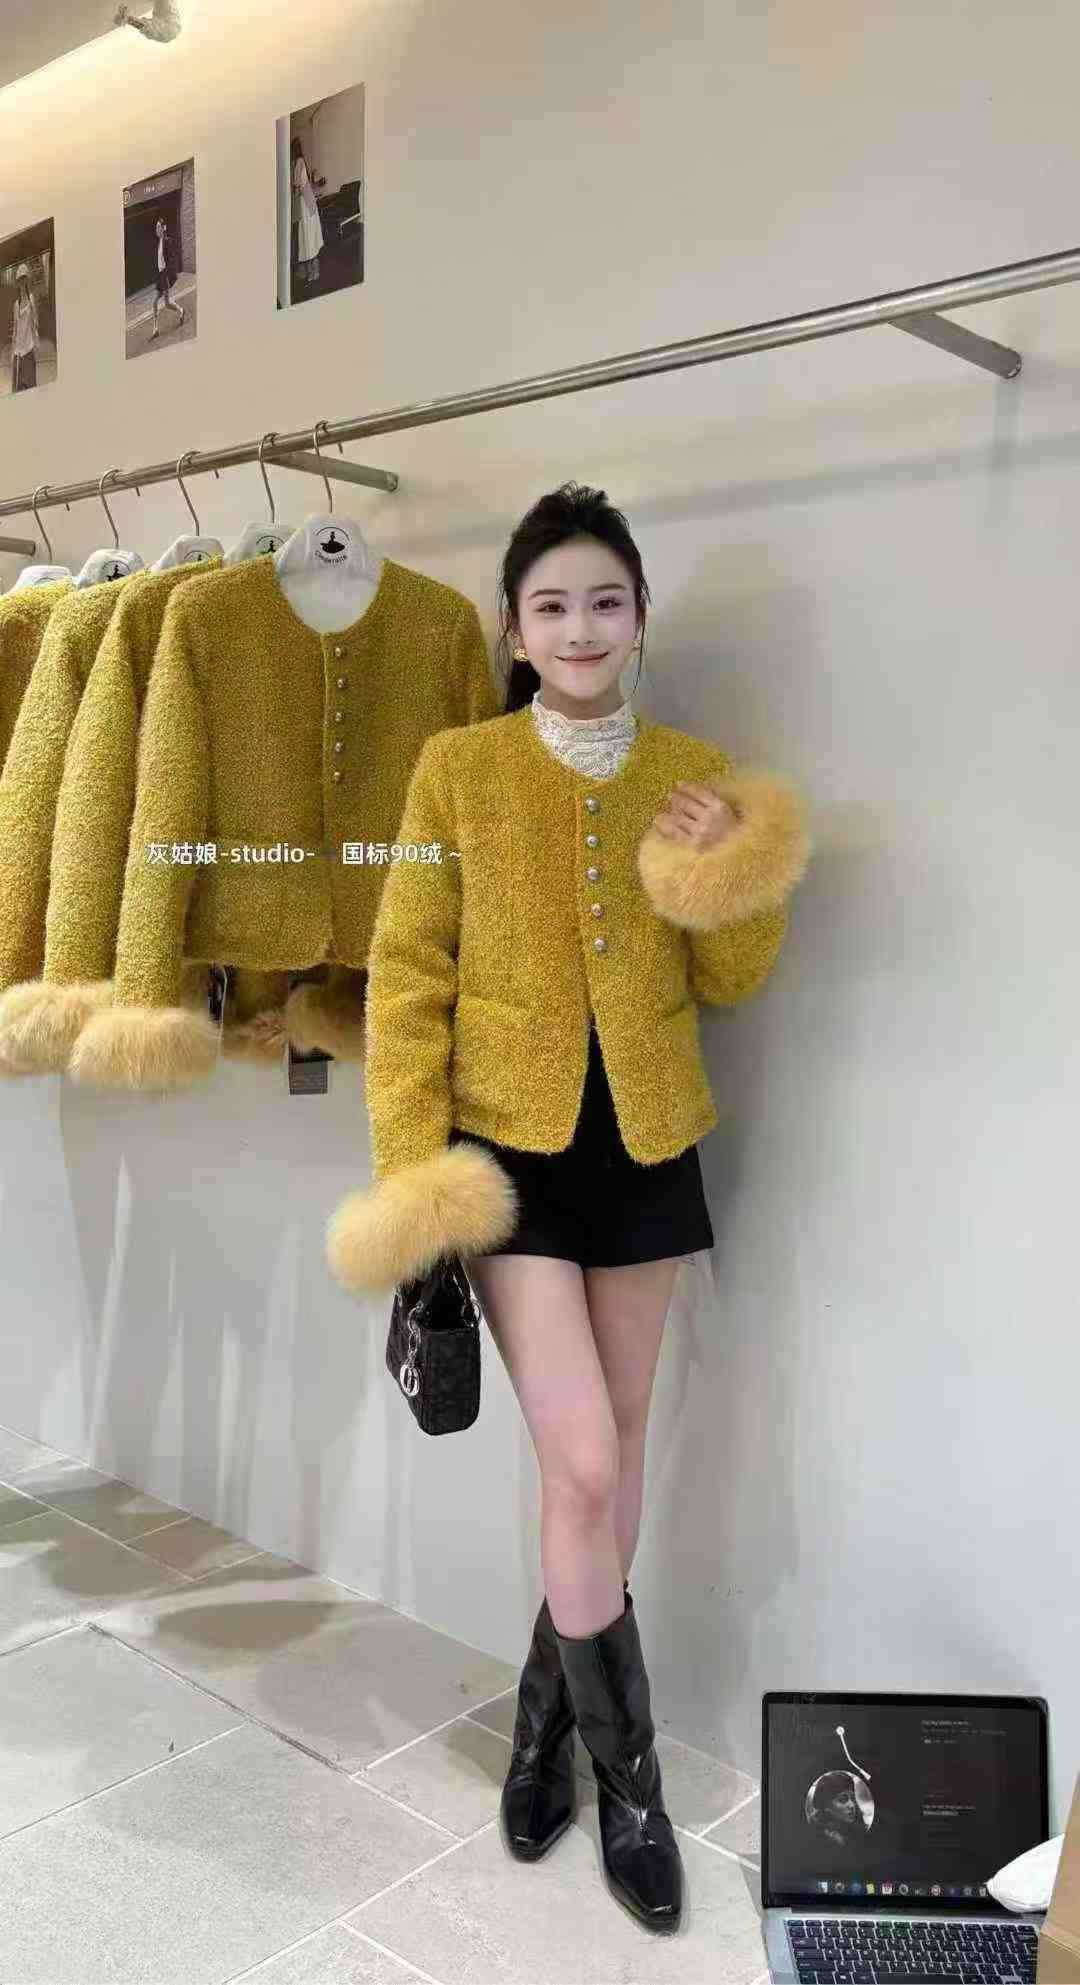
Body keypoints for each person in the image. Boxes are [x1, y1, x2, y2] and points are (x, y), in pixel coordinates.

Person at [327, 482, 812, 1937]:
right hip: (510, 1161)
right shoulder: (458, 769)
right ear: (516, 627)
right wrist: (414, 1173)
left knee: (615, 1462)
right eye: (553, 604)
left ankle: (545, 1722)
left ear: (642, 617)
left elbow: (733, 977)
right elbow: (408, 975)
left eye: (607, 600)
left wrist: (728, 860)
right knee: (585, 1462)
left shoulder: (691, 768)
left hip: (648, 1147)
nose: (582, 626)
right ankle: (635, 1784)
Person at [291, 136, 326, 286]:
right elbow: (304, 184)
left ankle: (311, 272)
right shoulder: (301, 162)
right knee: (309, 238)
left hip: (305, 205)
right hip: (308, 205)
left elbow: (298, 186)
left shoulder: (297, 163)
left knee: (307, 238)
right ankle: (310, 271)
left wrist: (294, 188)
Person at [150, 216, 185, 341]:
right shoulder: (159, 242)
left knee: (166, 303)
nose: (156, 229)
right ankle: (155, 329)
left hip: (165, 275)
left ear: (163, 228)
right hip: (160, 275)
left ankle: (181, 310)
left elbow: (172, 260)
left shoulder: (167, 241)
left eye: (158, 227)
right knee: (156, 302)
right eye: (156, 227)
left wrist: (168, 277)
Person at [11, 264, 38, 393]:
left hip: (28, 347)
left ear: (26, 280)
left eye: (23, 278)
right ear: (18, 282)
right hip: (18, 350)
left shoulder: (31, 299)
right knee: (18, 387)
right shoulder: (16, 304)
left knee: (31, 384)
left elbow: (35, 321)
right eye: (20, 279)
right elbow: (15, 329)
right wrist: (12, 352)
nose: (22, 281)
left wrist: (36, 341)